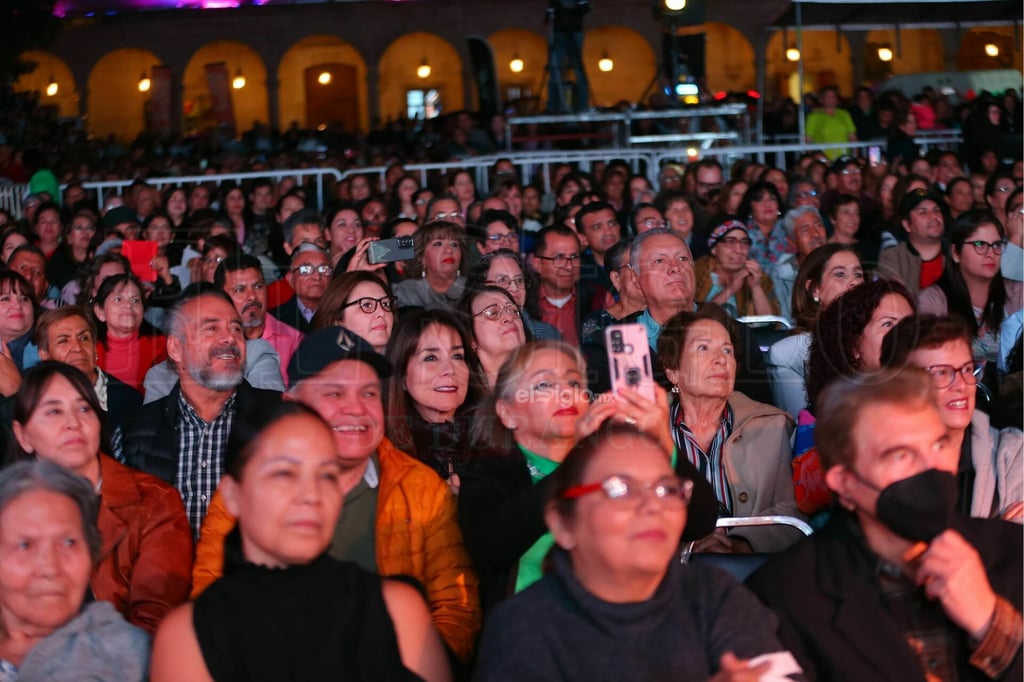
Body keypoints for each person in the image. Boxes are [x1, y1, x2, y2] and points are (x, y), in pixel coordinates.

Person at [189, 328, 481, 663]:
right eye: (335, 394)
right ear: (293, 402)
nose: (357, 409)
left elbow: (456, 609)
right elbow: (209, 603)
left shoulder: (422, 488)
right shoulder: (247, 491)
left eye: (370, 393)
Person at [747, 368, 1023, 682]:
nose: (931, 468)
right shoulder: (783, 598)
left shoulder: (1014, 552)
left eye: (938, 445)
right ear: (845, 482)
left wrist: (991, 622)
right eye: (901, 454)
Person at [151, 402, 451, 682]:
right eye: (284, 474)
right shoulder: (189, 633)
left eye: (327, 476)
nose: (311, 495)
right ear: (233, 494)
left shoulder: (398, 609)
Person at [475, 424, 795, 681]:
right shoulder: (522, 628)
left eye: (666, 489)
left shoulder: (715, 595)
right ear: (562, 523)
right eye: (620, 488)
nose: (652, 505)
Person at [458, 340, 716, 614]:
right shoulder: (489, 473)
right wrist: (576, 462)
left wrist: (662, 441)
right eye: (545, 385)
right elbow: (487, 546)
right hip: (531, 634)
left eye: (574, 384)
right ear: (507, 413)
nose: (566, 394)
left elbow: (700, 521)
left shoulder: (615, 460)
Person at [10, 362, 193, 635]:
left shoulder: (153, 502)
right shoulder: (10, 510)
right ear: (23, 436)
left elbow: (154, 622)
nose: (73, 423)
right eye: (54, 411)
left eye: (84, 408)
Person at [114, 289, 282, 536]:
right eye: (212, 329)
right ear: (175, 348)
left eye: (236, 329)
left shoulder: (280, 420)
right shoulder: (134, 432)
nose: (229, 338)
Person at [658, 306, 803, 553]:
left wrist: (740, 545)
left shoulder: (770, 425)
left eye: (727, 350)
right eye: (703, 348)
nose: (721, 359)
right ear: (673, 371)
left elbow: (789, 514)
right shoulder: (647, 430)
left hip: (748, 570)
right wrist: (687, 548)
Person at [0, 460, 151, 681]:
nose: (50, 567)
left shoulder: (127, 659)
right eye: (25, 545)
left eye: (69, 543)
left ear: (91, 552)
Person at [882, 315, 1023, 521]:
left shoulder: (1011, 452)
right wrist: (994, 537)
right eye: (941, 372)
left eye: (967, 369)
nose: (961, 384)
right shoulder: (875, 461)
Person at [384, 308, 484, 489]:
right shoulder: (385, 452)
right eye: (430, 357)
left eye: (457, 356)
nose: (449, 369)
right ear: (402, 378)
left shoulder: (498, 435)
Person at [766, 244, 864, 418]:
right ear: (815, 289)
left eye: (858, 274)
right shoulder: (789, 353)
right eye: (840, 274)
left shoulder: (881, 339)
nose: (854, 282)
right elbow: (801, 426)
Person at [805, 278, 916, 415]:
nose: (904, 331)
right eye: (887, 324)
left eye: (909, 323)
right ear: (853, 345)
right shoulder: (831, 421)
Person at [918, 210, 1011, 367]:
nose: (991, 254)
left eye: (996, 245)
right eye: (980, 245)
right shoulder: (933, 300)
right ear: (955, 253)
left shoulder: (1015, 294)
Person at [34, 306, 143, 433]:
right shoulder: (35, 399)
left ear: (95, 348)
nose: (77, 348)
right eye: (63, 341)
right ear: (45, 356)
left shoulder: (129, 400)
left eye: (84, 338)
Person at [215, 253, 302, 386]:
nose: (252, 296)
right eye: (239, 290)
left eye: (258, 286)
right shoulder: (210, 342)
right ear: (221, 298)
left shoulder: (295, 342)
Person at [528, 225, 604, 345]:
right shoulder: (524, 303)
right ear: (537, 264)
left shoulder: (599, 298)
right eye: (559, 258)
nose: (569, 266)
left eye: (574, 257)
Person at [93, 274, 167, 393]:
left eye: (135, 300)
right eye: (118, 299)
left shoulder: (163, 347)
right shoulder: (88, 351)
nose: (128, 305)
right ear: (100, 312)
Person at [466, 250, 560, 341]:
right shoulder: (467, 334)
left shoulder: (546, 336)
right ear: (482, 287)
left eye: (519, 280)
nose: (515, 288)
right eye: (503, 280)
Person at [695, 218, 779, 319]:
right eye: (730, 241)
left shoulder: (759, 277)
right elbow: (693, 319)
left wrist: (755, 286)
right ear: (714, 248)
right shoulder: (696, 273)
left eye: (744, 242)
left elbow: (770, 323)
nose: (739, 250)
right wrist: (730, 289)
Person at [878, 188, 946, 298]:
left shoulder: (956, 254)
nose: (934, 216)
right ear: (907, 225)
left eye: (937, 210)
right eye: (923, 212)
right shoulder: (893, 257)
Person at [580, 238, 646, 345]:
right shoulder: (598, 324)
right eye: (634, 266)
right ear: (616, 279)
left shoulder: (669, 314)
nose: (644, 272)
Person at [313, 271, 396, 354]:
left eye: (385, 304)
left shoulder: (403, 362)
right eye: (367, 305)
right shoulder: (322, 364)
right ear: (337, 320)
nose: (381, 312)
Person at [461, 285, 526, 388]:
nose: (509, 317)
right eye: (493, 313)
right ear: (470, 338)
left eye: (513, 311)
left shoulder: (548, 375)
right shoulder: (461, 394)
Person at [770, 207, 828, 323]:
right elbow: (785, 322)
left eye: (818, 225)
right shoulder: (781, 273)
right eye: (805, 230)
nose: (815, 234)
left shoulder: (841, 264)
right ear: (792, 241)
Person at [393, 221, 466, 311]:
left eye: (454, 244)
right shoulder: (402, 293)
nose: (449, 250)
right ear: (421, 256)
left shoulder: (474, 290)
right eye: (438, 244)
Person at [269, 243, 331, 334]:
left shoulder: (342, 314)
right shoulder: (274, 319)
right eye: (306, 270)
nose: (317, 277)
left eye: (323, 269)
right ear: (290, 279)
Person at [737, 181, 790, 270]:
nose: (767, 204)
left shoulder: (791, 230)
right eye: (759, 199)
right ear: (750, 206)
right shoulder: (740, 234)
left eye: (772, 199)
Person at [805, 86, 857, 160]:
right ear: (821, 99)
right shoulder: (813, 117)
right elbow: (808, 140)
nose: (831, 99)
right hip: (823, 158)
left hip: (844, 156)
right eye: (828, 96)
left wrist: (855, 155)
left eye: (833, 96)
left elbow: (852, 136)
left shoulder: (844, 114)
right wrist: (812, 158)